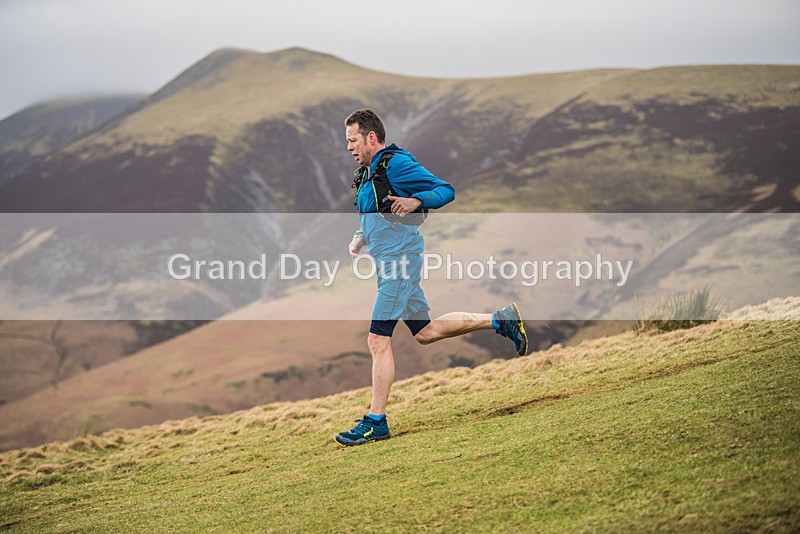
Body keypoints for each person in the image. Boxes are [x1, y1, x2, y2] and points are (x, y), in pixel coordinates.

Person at [333, 109, 528, 446]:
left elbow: (445, 190)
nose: (349, 147)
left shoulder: (395, 164)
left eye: (352, 140)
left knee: (377, 340)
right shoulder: (369, 171)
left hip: (399, 265)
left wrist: (415, 201)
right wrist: (360, 237)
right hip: (389, 265)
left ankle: (375, 422)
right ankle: (501, 320)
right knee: (425, 332)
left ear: (370, 137)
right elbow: (377, 210)